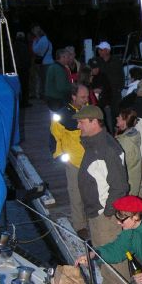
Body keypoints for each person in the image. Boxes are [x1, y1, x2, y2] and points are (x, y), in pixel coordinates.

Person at [74, 104, 130, 284]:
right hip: (96, 212)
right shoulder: (94, 144)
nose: (78, 125)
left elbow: (120, 185)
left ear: (93, 122)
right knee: (101, 252)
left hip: (105, 215)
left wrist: (107, 212)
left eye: (81, 121)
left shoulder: (106, 148)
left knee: (113, 254)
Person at [50, 83, 89, 238]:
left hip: (91, 159)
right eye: (83, 97)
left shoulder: (89, 110)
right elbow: (54, 137)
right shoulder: (61, 114)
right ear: (73, 96)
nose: (86, 100)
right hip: (74, 161)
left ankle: (93, 220)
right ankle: (80, 226)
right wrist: (60, 157)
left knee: (93, 193)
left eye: (87, 96)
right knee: (76, 194)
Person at [115, 108, 142, 196]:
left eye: (119, 117)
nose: (116, 118)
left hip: (127, 188)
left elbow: (122, 168)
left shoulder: (126, 143)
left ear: (124, 121)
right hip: (129, 186)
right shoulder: (126, 137)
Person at [96, 41, 125, 120]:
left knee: (116, 115)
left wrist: (119, 89)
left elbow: (121, 77)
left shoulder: (116, 61)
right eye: (99, 50)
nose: (99, 51)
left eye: (101, 50)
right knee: (101, 115)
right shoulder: (96, 61)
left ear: (108, 50)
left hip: (114, 93)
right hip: (102, 94)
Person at [89, 58, 114, 131]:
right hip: (93, 108)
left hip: (104, 105)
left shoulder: (103, 76)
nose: (96, 69)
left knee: (108, 125)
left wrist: (107, 104)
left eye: (97, 67)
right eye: (93, 68)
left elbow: (109, 90)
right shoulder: (86, 77)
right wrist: (93, 91)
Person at [31, 24, 53, 97]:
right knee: (49, 80)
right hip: (50, 62)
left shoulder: (41, 40)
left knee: (44, 80)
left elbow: (35, 50)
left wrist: (34, 42)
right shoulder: (47, 40)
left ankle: (45, 95)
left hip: (45, 63)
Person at [14, 31, 32, 107]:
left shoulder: (14, 45)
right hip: (24, 69)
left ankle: (20, 102)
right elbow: (27, 58)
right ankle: (24, 102)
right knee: (24, 86)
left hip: (17, 69)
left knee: (18, 86)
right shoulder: (24, 46)